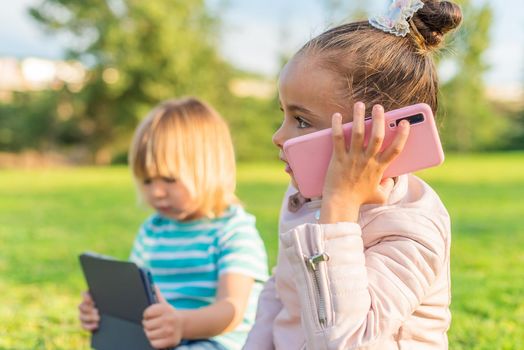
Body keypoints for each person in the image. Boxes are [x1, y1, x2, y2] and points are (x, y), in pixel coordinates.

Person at [244, 0, 462, 349]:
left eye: (301, 120)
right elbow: (282, 293)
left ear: (380, 135)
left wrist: (340, 210)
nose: (278, 137)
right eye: (283, 114)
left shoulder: (411, 229)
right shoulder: (305, 196)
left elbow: (343, 341)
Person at [78, 97, 268, 350]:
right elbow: (139, 302)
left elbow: (230, 310)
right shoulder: (152, 231)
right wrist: (104, 311)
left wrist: (180, 324)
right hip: (165, 341)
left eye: (168, 179)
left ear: (210, 168)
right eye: (147, 181)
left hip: (219, 342)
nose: (156, 192)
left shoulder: (233, 231)